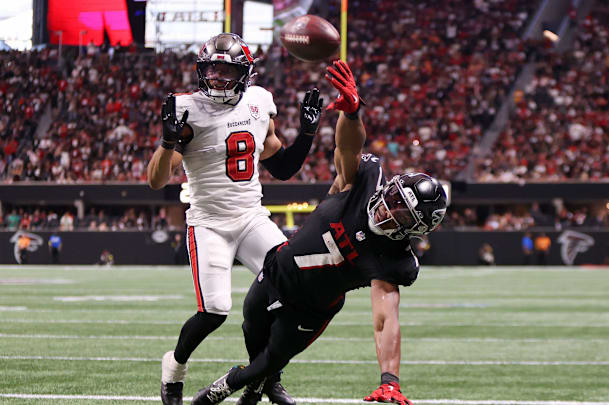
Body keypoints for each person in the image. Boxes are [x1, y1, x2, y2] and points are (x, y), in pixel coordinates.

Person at [189, 60, 447, 405]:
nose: (389, 208)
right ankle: (262, 385)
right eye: (395, 198)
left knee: (268, 361)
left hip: (310, 310)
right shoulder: (362, 183)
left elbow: (385, 320)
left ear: (415, 228)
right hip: (276, 270)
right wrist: (352, 113)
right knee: (252, 333)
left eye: (402, 211)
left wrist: (390, 380)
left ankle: (230, 387)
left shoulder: (394, 260)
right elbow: (348, 148)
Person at [146, 33, 323, 405]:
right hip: (209, 221)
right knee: (214, 311)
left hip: (251, 217)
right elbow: (156, 180)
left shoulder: (259, 102)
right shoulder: (186, 109)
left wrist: (307, 134)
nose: (217, 77)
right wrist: (166, 143)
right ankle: (173, 368)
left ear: (245, 74)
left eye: (227, 70)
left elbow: (284, 168)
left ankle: (267, 376)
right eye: (212, 69)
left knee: (291, 289)